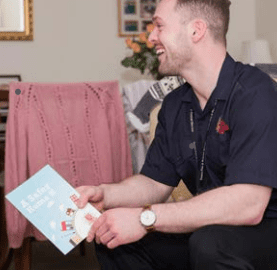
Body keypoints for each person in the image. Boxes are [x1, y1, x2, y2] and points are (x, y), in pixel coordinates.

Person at [76, 0, 277, 269]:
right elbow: (154, 183)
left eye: (159, 25)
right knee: (114, 237)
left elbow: (249, 205)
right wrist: (105, 195)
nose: (151, 37)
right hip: (211, 227)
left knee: (209, 243)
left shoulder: (255, 92)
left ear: (196, 31)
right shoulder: (174, 105)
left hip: (267, 226)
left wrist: (144, 218)